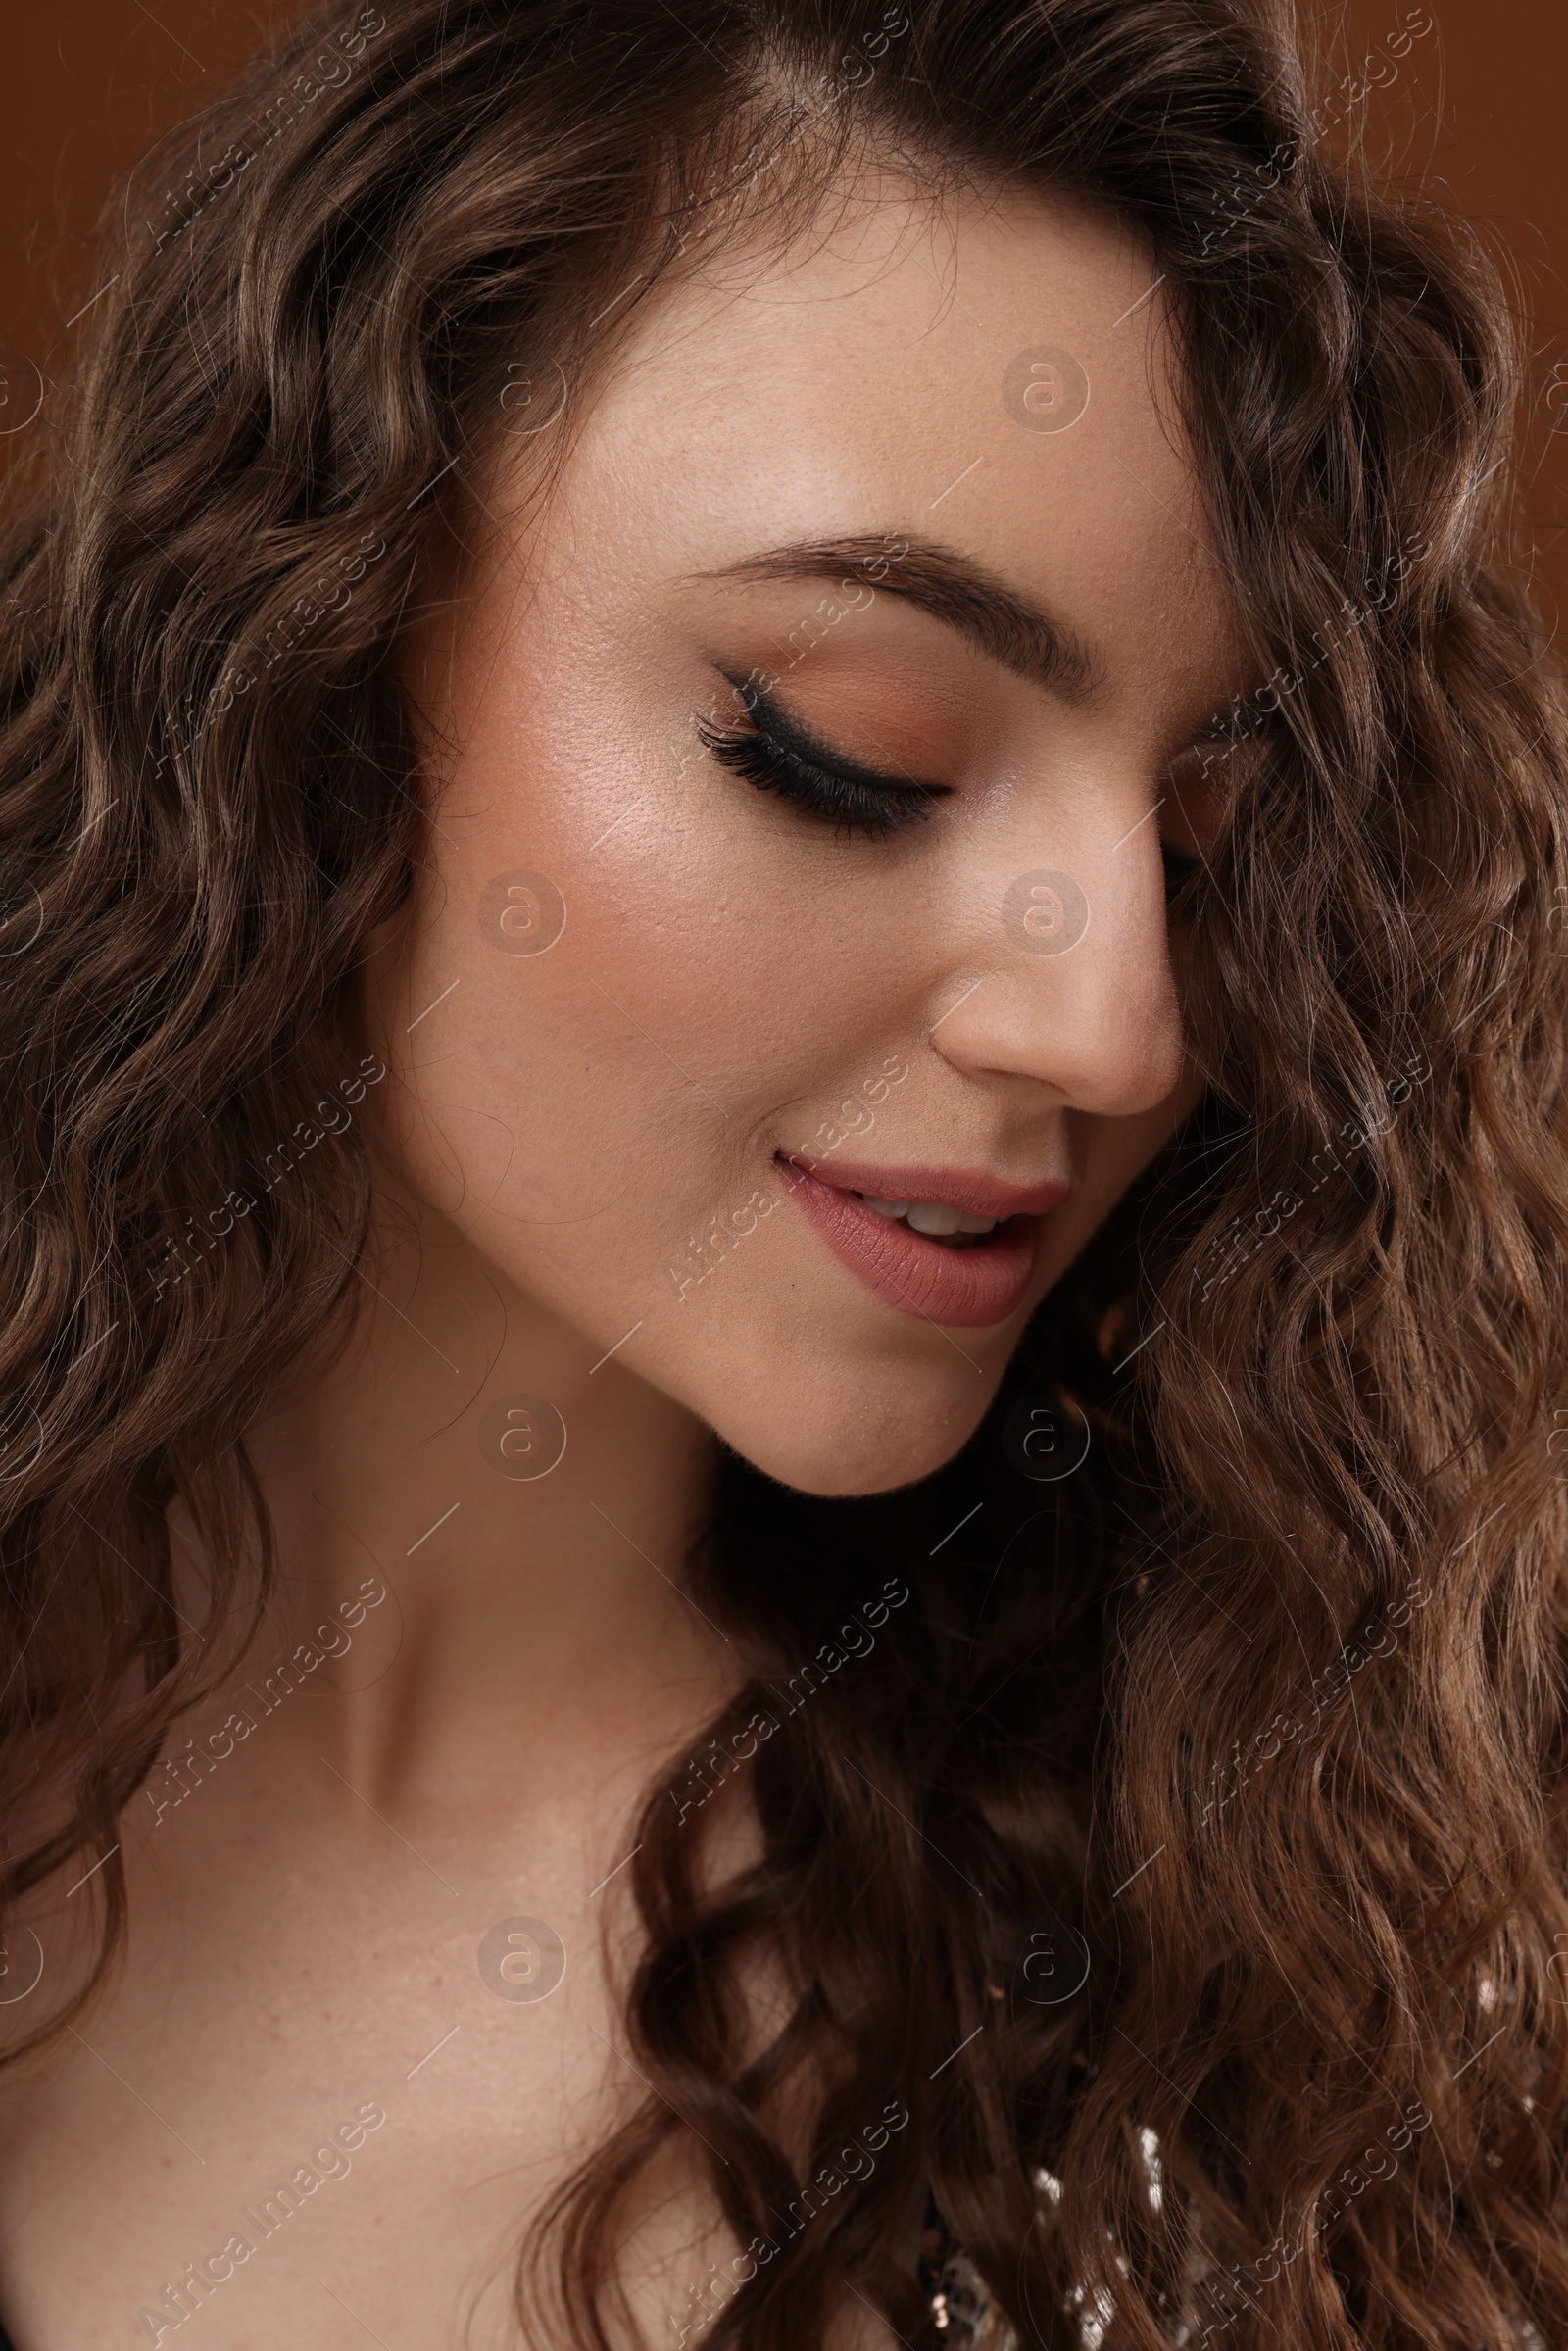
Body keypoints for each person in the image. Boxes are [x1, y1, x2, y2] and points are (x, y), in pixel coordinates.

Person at [0, 0, 1558, 2343]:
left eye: (1215, 842)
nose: (1117, 1023)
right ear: (306, 663)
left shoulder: (1351, 1945)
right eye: (850, 754)